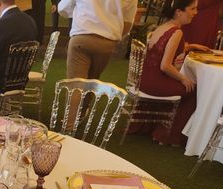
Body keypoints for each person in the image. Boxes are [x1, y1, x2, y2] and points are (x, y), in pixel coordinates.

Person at [134, 0, 209, 145]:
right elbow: (165, 66)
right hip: (156, 83)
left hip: (144, 80)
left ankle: (156, 127)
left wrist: (191, 46)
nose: (195, 13)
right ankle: (167, 135)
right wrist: (183, 79)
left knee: (188, 86)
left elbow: (163, 49)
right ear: (179, 12)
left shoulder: (162, 27)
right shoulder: (177, 32)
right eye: (192, 9)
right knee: (193, 90)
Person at [58, 0, 138, 80]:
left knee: (75, 86)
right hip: (107, 42)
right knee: (92, 85)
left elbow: (63, 8)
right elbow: (128, 21)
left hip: (82, 35)